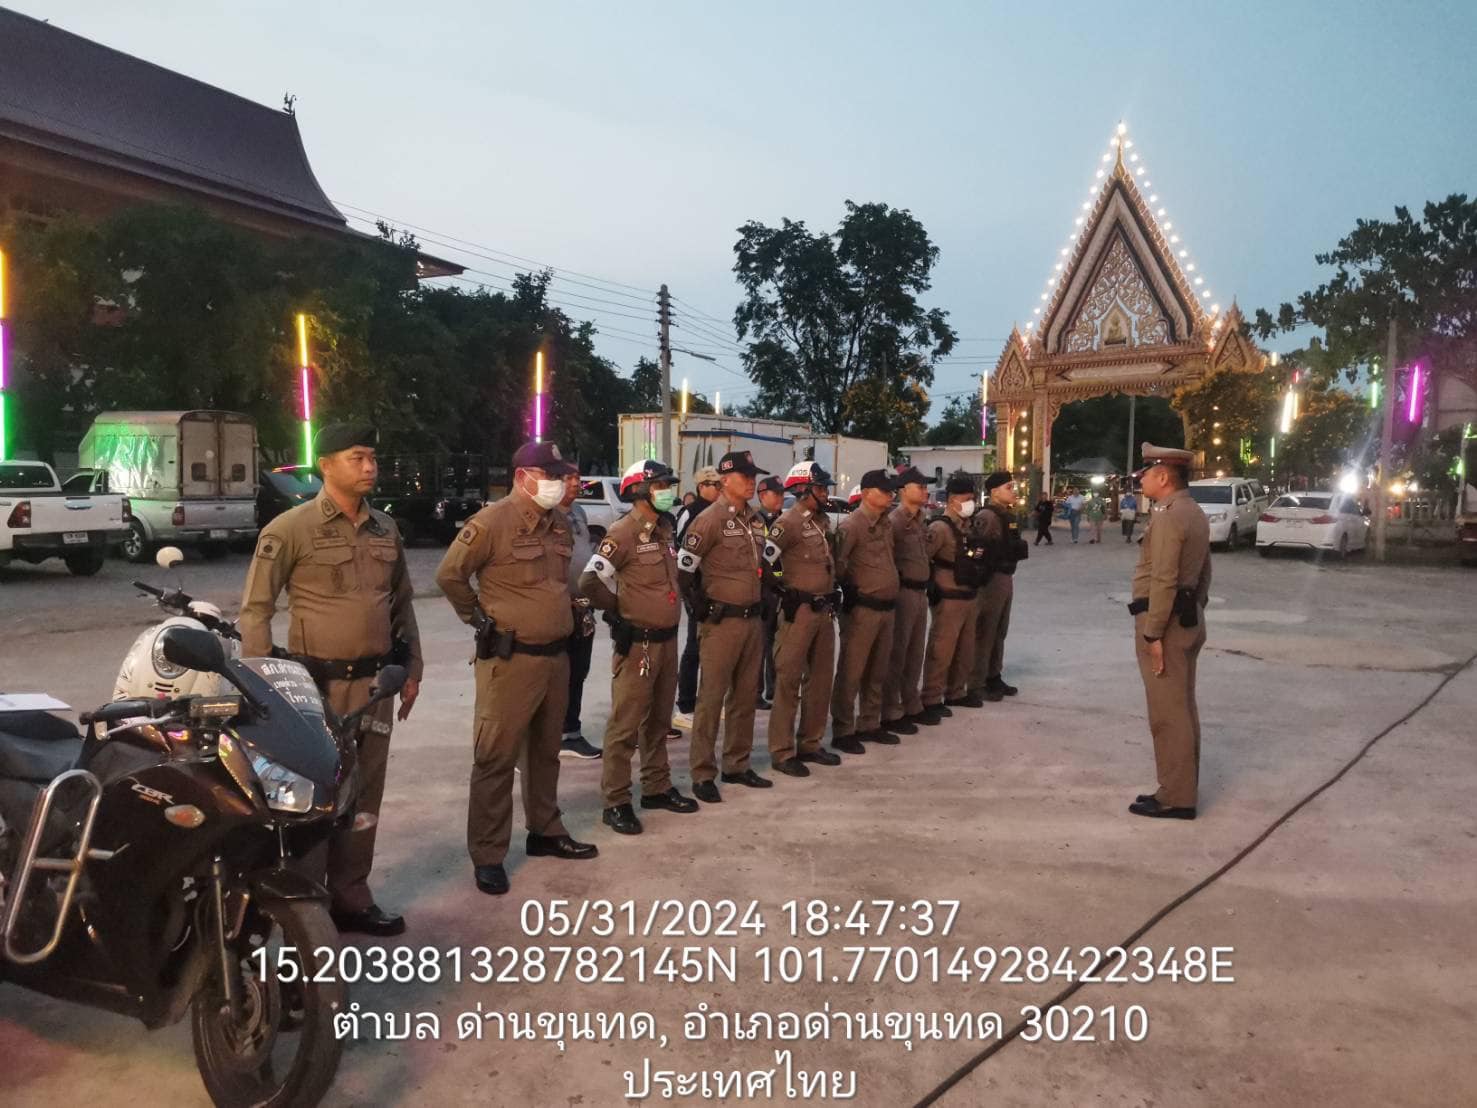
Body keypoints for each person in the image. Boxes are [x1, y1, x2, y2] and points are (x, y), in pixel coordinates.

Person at [239, 422, 422, 937]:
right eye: (357, 457)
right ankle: (307, 906)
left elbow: (402, 605)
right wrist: (264, 687)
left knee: (364, 796)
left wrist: (412, 669)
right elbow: (255, 611)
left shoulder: (385, 528)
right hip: (314, 689)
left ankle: (351, 895)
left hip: (375, 687)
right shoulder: (289, 529)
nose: (370, 467)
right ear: (325, 464)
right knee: (311, 795)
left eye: (372, 458)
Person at [435, 441, 598, 897]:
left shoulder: (559, 523)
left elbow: (557, 584)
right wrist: (480, 620)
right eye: (551, 475)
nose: (559, 483)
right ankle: (488, 854)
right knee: (496, 759)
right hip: (510, 660)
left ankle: (545, 830)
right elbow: (449, 575)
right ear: (524, 477)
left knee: (545, 753)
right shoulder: (492, 522)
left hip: (555, 657)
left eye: (561, 475)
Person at [579, 459, 699, 835]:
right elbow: (588, 582)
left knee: (659, 721)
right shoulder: (623, 532)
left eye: (667, 485)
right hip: (639, 645)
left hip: (666, 641)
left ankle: (656, 787)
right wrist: (619, 610)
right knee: (625, 725)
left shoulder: (664, 529)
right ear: (640, 490)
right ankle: (615, 801)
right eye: (660, 485)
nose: (667, 491)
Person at [676, 450, 772, 802]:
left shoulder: (755, 519)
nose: (751, 482)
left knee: (745, 697)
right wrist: (697, 606)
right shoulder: (709, 519)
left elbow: (763, 564)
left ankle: (737, 764)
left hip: (751, 620)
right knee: (711, 699)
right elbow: (684, 569)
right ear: (725, 480)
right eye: (745, 476)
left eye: (753, 476)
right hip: (721, 622)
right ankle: (702, 773)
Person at [1128, 443, 1212, 820]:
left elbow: (1163, 578)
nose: (1141, 480)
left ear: (1163, 477)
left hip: (1165, 624)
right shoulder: (1193, 511)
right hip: (1187, 617)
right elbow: (1205, 572)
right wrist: (1194, 607)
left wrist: (1154, 634)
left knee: (1168, 713)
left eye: (1145, 474)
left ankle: (1176, 798)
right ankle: (1181, 788)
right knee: (1183, 706)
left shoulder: (1167, 515)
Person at [763, 462, 841, 775]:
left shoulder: (822, 521)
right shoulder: (787, 523)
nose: (825, 493)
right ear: (803, 490)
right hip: (799, 612)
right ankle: (782, 751)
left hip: (824, 609)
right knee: (788, 681)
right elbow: (766, 562)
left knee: (820, 680)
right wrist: (782, 589)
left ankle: (810, 742)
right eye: (820, 488)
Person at [831, 469, 902, 752]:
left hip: (886, 608)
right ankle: (843, 728)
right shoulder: (852, 525)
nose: (890, 495)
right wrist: (850, 592)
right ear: (867, 493)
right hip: (862, 609)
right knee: (852, 671)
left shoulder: (885, 524)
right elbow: (838, 565)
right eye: (884, 490)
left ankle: (870, 722)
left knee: (878, 670)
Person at [921, 474, 985, 719]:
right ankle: (931, 696)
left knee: (965, 649)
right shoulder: (939, 528)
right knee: (942, 649)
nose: (971, 503)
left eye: (972, 498)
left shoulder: (967, 526)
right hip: (948, 598)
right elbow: (923, 558)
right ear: (952, 500)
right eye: (967, 499)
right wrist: (932, 585)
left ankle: (956, 692)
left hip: (969, 595)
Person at [970, 472, 1028, 701]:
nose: (1014, 491)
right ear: (994, 492)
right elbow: (977, 550)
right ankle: (977, 682)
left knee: (999, 630)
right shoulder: (987, 516)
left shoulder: (1006, 515)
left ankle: (994, 675)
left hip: (1005, 576)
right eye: (1008, 487)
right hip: (991, 579)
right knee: (985, 631)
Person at [882, 467, 932, 732]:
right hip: (903, 592)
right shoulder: (895, 521)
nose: (925, 491)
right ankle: (891, 709)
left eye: (925, 486)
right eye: (920, 486)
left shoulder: (921, 519)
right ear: (903, 490)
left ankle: (911, 703)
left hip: (920, 592)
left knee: (915, 652)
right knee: (898, 653)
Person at [672, 466, 722, 728]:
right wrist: (691, 595)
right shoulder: (690, 512)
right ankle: (686, 705)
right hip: (696, 589)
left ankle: (707, 701)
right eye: (714, 485)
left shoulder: (722, 511)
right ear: (702, 486)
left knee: (713, 650)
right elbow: (681, 553)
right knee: (694, 647)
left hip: (717, 589)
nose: (719, 490)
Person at [559, 468, 601, 759]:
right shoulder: (546, 515)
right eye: (568, 478)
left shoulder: (579, 512)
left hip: (583, 606)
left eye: (577, 477)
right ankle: (549, 734)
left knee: (578, 670)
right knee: (557, 674)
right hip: (559, 608)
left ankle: (570, 732)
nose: (576, 482)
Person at [755, 474, 786, 709]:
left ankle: (774, 688)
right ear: (763, 495)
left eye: (783, 494)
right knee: (760, 644)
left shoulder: (783, 519)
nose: (781, 498)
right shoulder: (756, 521)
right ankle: (755, 692)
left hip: (780, 588)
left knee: (777, 643)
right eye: (777, 494)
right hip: (762, 589)